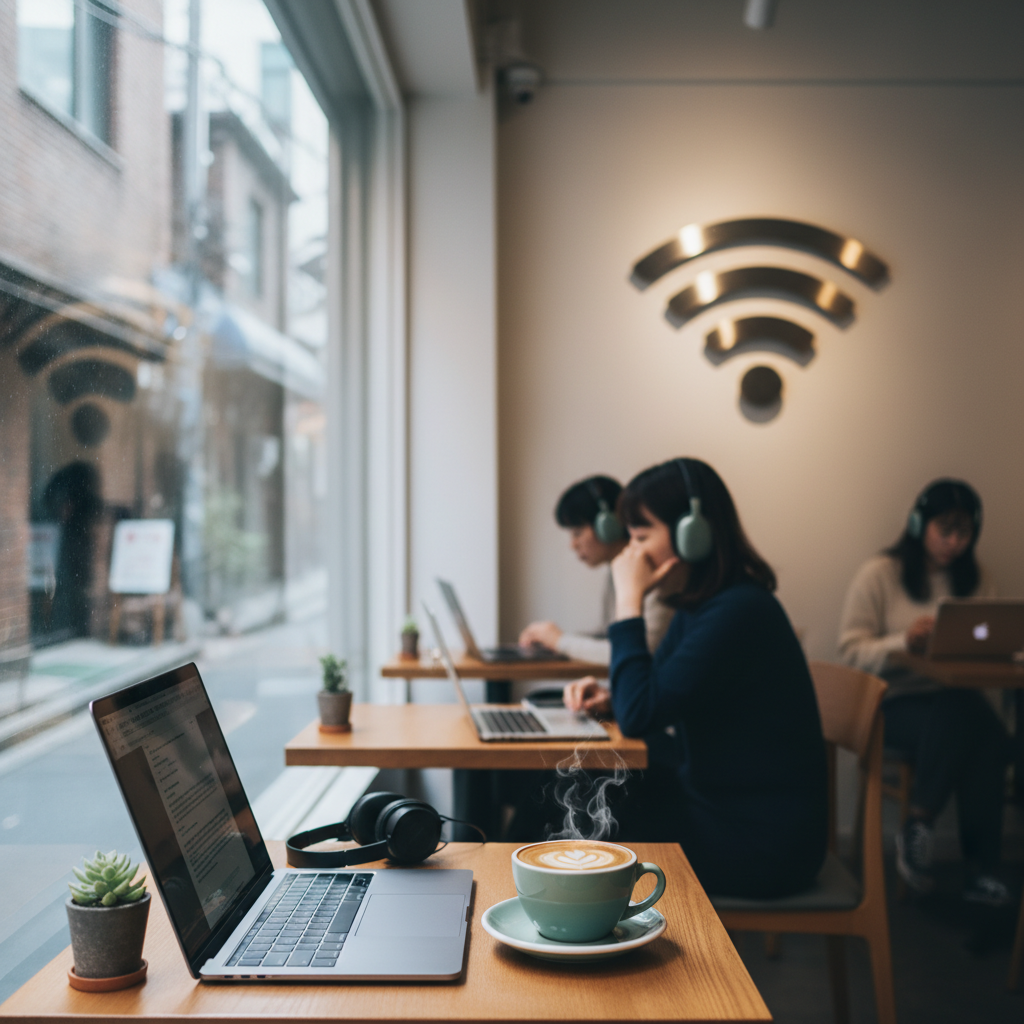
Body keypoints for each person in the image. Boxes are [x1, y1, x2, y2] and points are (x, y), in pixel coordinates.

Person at [564, 458, 828, 898]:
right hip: (718, 805)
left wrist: (629, 599)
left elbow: (640, 716)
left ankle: (548, 942)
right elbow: (651, 696)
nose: (630, 553)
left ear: (694, 535)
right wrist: (613, 696)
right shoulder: (703, 608)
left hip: (761, 843)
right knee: (577, 788)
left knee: (593, 812)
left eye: (641, 536)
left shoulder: (738, 611)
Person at [838, 479, 1011, 905]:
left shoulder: (977, 579)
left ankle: (923, 829)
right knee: (977, 726)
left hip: (953, 703)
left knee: (983, 730)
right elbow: (850, 652)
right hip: (892, 705)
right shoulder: (880, 574)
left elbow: (989, 640)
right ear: (918, 524)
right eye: (944, 531)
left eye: (964, 533)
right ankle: (978, 866)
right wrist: (902, 642)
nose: (954, 543)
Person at [518, 475, 680, 663]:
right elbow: (612, 637)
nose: (573, 545)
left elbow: (639, 651)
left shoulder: (653, 573)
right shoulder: (617, 569)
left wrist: (560, 641)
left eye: (577, 532)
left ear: (608, 526)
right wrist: (552, 640)